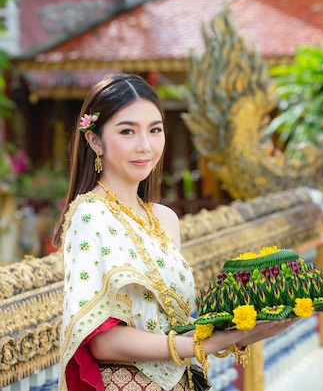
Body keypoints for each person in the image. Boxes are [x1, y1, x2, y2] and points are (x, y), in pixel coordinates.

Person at [52, 73, 295, 391]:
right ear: (95, 140)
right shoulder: (89, 215)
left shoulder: (165, 219)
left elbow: (174, 328)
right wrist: (202, 344)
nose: (145, 146)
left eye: (155, 130)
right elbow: (103, 341)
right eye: (127, 131)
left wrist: (241, 333)